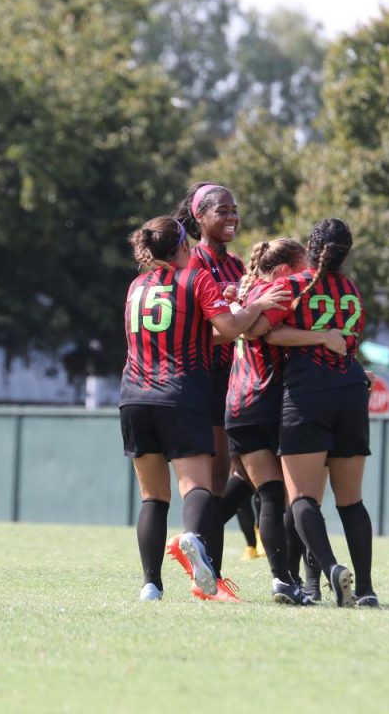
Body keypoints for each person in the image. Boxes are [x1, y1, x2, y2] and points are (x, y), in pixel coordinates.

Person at [120, 215, 290, 602]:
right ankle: (193, 540)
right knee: (195, 486)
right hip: (180, 393)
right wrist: (258, 304)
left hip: (133, 395)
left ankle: (151, 585)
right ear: (183, 245)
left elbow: (176, 330)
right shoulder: (195, 277)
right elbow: (230, 330)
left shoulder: (136, 286)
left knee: (152, 497)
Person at [227, 237, 349, 604]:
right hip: (261, 401)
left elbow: (241, 327)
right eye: (301, 269)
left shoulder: (250, 291)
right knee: (278, 494)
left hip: (241, 401)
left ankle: (196, 537)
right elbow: (260, 331)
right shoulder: (278, 291)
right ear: (283, 270)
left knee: (252, 489)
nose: (306, 279)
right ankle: (289, 578)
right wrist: (323, 338)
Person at [279, 218, 376, 608]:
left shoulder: (294, 286)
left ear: (310, 247)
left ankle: (332, 568)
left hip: (308, 394)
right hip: (352, 391)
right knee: (351, 500)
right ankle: (366, 589)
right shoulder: (351, 290)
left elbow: (270, 333)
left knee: (303, 497)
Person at [172, 182, 248, 596]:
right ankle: (211, 579)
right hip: (207, 380)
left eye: (234, 209)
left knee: (253, 472)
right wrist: (238, 318)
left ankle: (198, 545)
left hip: (241, 380)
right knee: (218, 481)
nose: (231, 217)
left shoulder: (238, 265)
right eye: (222, 211)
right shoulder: (191, 263)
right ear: (199, 217)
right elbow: (199, 331)